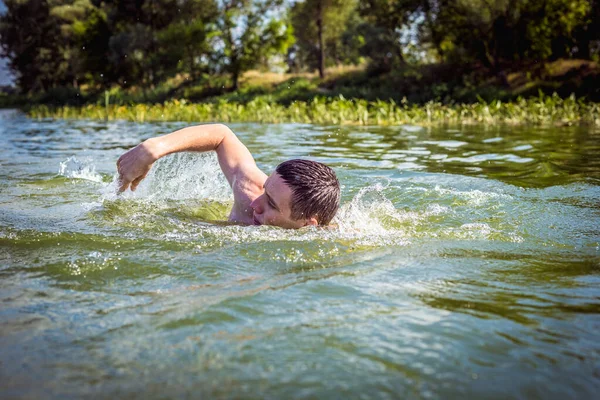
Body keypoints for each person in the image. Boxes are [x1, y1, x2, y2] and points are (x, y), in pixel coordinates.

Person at [117, 123, 340, 229]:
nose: (255, 202)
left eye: (271, 204)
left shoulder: (330, 241)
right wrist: (155, 148)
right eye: (265, 189)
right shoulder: (249, 190)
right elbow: (222, 135)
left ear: (308, 225)